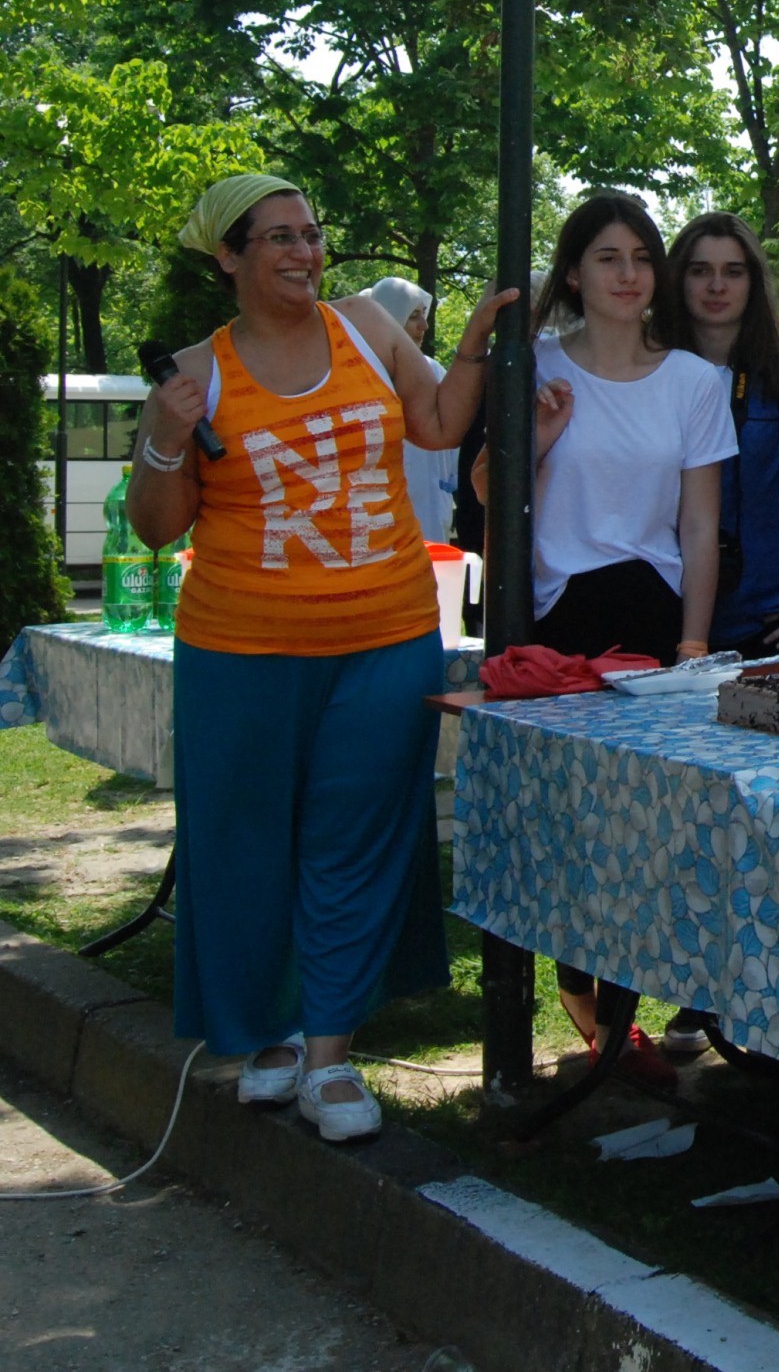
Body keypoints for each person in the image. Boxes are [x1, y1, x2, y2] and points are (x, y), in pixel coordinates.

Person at [127, 173, 518, 1141]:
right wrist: (166, 438)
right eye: (280, 239)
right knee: (247, 844)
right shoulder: (197, 373)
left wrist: (472, 343)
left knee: (359, 837)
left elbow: (438, 424)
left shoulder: (368, 329)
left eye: (312, 234)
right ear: (229, 255)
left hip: (386, 638)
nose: (306, 253)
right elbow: (156, 527)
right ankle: (269, 1038)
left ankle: (331, 1053)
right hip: (240, 649)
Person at [505, 191, 737, 1085]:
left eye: (642, 257)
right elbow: (489, 493)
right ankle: (584, 1006)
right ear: (574, 272)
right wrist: (538, 437)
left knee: (649, 830)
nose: (629, 274)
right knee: (569, 826)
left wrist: (693, 642)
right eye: (609, 257)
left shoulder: (694, 381)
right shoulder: (534, 364)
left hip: (652, 625)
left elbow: (699, 524)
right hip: (557, 623)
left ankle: (627, 1018)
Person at [656, 212, 779, 658]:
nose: (717, 286)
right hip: (663, 614)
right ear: (677, 279)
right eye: (700, 271)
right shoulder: (648, 372)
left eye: (733, 272)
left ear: (754, 282)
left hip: (770, 625)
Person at [356, 275, 460, 543]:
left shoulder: (433, 371)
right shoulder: (357, 374)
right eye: (414, 316)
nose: (424, 325)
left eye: (424, 314)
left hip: (428, 509)